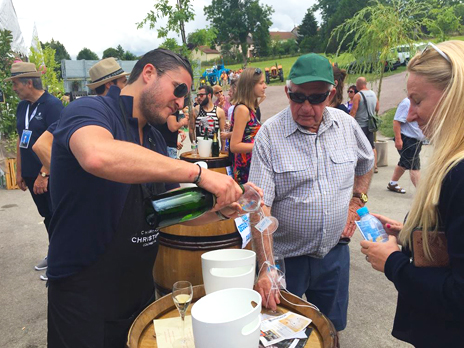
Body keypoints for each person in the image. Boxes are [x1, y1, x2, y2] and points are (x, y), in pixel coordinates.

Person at [46, 48, 247, 348]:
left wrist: (220, 211)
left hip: (137, 294)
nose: (181, 102)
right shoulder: (90, 109)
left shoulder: (151, 137)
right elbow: (96, 155)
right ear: (149, 73)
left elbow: (167, 209)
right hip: (84, 295)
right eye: (179, 89)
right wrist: (199, 174)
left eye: (186, 95)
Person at [249, 53, 374, 332]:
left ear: (330, 95)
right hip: (285, 259)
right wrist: (266, 266)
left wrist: (356, 203)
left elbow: (367, 162)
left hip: (333, 253)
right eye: (298, 97)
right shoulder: (269, 135)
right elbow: (260, 207)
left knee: (330, 328)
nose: (306, 107)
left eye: (316, 98)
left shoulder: (346, 125)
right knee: (282, 332)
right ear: (287, 91)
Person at [361, 40, 464, 347]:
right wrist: (411, 234)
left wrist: (393, 262)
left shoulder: (459, 174)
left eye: (418, 101)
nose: (412, 115)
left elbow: (458, 294)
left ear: (454, 97)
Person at [5, 62, 64, 276]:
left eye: (15, 84)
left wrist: (43, 174)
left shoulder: (53, 105)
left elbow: (57, 143)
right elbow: (22, 138)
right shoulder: (23, 107)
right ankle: (55, 253)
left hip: (48, 175)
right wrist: (20, 172)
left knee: (58, 216)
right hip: (31, 175)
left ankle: (61, 260)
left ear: (28, 82)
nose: (13, 88)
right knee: (47, 216)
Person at [32, 58, 130, 174]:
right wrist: (66, 178)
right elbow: (40, 145)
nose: (127, 87)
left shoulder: (93, 109)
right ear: (110, 85)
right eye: (124, 82)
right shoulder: (88, 111)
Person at [230, 67, 265, 184]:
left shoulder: (250, 109)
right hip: (245, 171)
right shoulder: (242, 109)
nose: (265, 86)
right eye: (261, 83)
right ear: (250, 86)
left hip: (251, 167)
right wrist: (262, 146)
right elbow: (234, 146)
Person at [387, 97, 424, 194]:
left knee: (404, 163)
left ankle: (393, 183)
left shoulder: (420, 102)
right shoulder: (407, 103)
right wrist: (398, 139)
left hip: (416, 140)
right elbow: (396, 121)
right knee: (414, 166)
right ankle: (422, 194)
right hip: (407, 139)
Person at [350, 77, 380, 173]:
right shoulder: (373, 94)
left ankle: (360, 167)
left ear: (358, 85)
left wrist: (349, 123)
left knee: (358, 146)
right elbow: (377, 108)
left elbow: (353, 112)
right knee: (371, 145)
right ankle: (375, 166)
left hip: (360, 125)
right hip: (370, 125)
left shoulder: (358, 96)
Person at [191, 84, 226, 149]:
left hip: (214, 148)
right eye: (198, 95)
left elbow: (222, 133)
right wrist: (194, 147)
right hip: (200, 148)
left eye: (201, 95)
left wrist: (223, 150)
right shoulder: (195, 110)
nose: (199, 98)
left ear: (209, 95)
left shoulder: (219, 111)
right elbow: (191, 130)